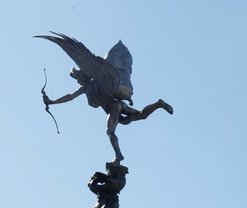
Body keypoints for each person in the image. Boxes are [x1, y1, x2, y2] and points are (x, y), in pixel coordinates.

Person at [37, 33, 173, 164]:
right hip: (119, 105)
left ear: (82, 77)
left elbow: (70, 97)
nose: (77, 81)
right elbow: (69, 97)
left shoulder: (89, 86)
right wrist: (52, 102)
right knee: (137, 117)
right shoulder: (89, 87)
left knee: (110, 131)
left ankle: (118, 155)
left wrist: (52, 102)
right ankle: (158, 104)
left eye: (77, 78)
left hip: (114, 107)